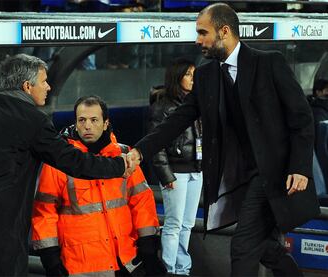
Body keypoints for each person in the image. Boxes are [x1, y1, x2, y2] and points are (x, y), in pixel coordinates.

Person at [128, 3, 320, 276]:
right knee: (264, 246)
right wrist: (140, 151)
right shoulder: (206, 74)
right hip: (236, 178)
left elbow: (302, 119)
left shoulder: (269, 63)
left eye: (203, 32)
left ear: (225, 31)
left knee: (242, 247)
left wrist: (300, 168)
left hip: (273, 175)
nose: (197, 40)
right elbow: (178, 119)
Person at [0, 54, 134, 276]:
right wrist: (119, 165)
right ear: (27, 86)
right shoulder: (34, 120)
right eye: (44, 81)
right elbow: (75, 162)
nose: (49, 87)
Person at [31, 95, 165, 277]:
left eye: (94, 120)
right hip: (81, 266)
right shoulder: (58, 162)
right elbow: (45, 213)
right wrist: (50, 259)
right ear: (76, 123)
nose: (87, 126)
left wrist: (148, 244)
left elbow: (142, 202)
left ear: (105, 123)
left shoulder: (125, 155)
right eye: (82, 120)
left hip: (126, 261)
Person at [148, 58, 202, 276]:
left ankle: (182, 270)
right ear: (177, 77)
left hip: (195, 171)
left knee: (187, 224)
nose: (193, 79)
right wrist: (166, 175)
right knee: (173, 224)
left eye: (194, 74)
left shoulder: (196, 102)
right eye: (188, 74)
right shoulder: (162, 106)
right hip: (175, 173)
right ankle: (168, 269)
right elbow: (156, 145)